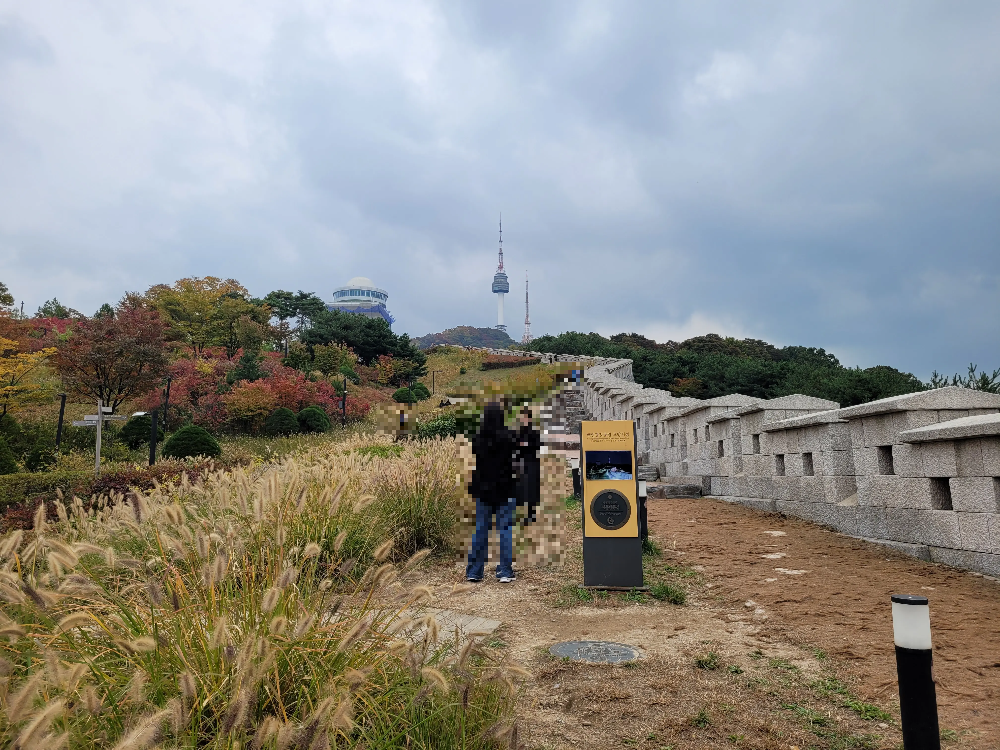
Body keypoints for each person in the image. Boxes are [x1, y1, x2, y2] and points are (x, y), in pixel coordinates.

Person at [466, 401, 518, 583]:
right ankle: (504, 570)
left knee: (480, 529)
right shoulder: (509, 437)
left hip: (483, 489)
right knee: (505, 529)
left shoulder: (477, 438)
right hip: (505, 488)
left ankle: (474, 571)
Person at [515, 406, 541, 526]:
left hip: (531, 462)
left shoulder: (534, 431)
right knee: (521, 488)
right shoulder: (519, 431)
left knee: (531, 489)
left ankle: (531, 515)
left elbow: (538, 446)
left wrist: (525, 444)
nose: (523, 419)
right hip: (520, 462)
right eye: (522, 417)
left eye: (525, 417)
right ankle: (520, 511)